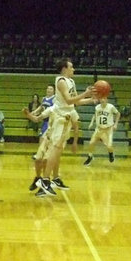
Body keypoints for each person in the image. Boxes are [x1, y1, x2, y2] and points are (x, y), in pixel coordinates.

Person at [37, 59, 94, 194]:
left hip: (67, 117)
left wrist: (91, 100)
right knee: (55, 149)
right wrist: (85, 93)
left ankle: (55, 178)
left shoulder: (71, 82)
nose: (73, 69)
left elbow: (76, 102)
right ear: (64, 69)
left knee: (59, 150)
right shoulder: (61, 81)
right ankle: (45, 180)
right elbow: (68, 100)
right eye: (71, 67)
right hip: (60, 118)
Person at [84, 97, 120, 165]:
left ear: (107, 100)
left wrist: (116, 124)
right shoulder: (97, 107)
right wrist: (91, 123)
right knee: (91, 143)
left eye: (104, 99)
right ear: (99, 100)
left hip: (108, 129)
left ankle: (111, 154)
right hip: (99, 129)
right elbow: (95, 115)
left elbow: (118, 114)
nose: (102, 100)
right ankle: (90, 156)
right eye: (101, 99)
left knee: (109, 146)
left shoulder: (111, 107)